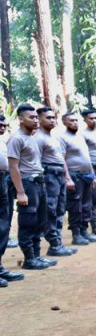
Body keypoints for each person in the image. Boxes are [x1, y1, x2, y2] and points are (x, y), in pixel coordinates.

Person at [7, 105, 57, 270]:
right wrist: (20, 192)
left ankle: (36, 256)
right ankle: (29, 258)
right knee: (28, 221)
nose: (36, 120)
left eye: (36, 117)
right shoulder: (17, 139)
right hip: (27, 183)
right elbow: (13, 167)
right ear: (21, 119)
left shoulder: (32, 138)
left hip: (39, 183)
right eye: (31, 117)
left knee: (39, 221)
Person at [35, 107, 76, 258]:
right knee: (50, 209)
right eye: (48, 118)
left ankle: (57, 243)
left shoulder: (54, 137)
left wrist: (66, 177)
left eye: (53, 118)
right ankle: (53, 242)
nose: (52, 120)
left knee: (60, 209)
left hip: (59, 175)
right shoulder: (38, 138)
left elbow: (60, 159)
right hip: (49, 176)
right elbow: (36, 161)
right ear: (38, 119)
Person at [58, 112, 96, 247]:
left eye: (76, 120)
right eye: (71, 120)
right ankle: (76, 234)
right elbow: (62, 159)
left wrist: (93, 175)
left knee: (87, 205)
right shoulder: (62, 138)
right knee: (75, 205)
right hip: (74, 175)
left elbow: (87, 158)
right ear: (64, 122)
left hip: (87, 175)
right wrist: (68, 178)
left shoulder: (80, 137)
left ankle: (84, 231)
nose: (75, 123)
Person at [0, 113, 26, 285]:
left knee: (3, 224)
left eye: (4, 124)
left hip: (2, 181)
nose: (2, 127)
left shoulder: (3, 140)